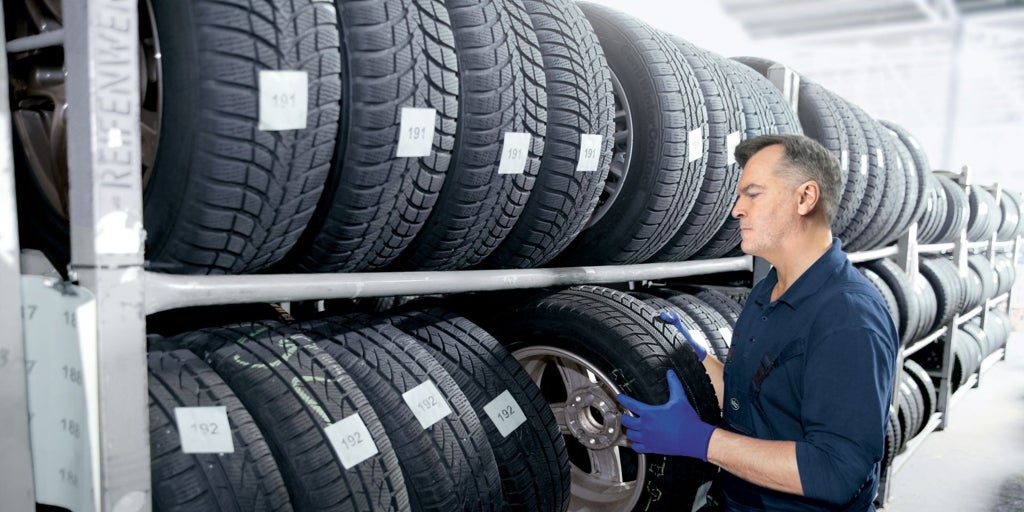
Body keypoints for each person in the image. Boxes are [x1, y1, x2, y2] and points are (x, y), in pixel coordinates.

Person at [617, 134, 899, 511]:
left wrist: (700, 441)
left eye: (753, 194)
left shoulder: (848, 317)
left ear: (805, 198)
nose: (737, 209)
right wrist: (694, 358)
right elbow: (752, 401)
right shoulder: (769, 288)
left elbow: (837, 472)